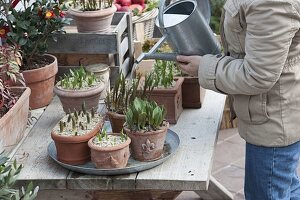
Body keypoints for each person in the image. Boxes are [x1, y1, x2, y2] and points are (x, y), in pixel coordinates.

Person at [176, 0, 300, 199]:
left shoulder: (272, 4)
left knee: (267, 192)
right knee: (285, 187)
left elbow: (258, 74)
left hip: (274, 123)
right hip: (271, 113)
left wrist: (204, 67)